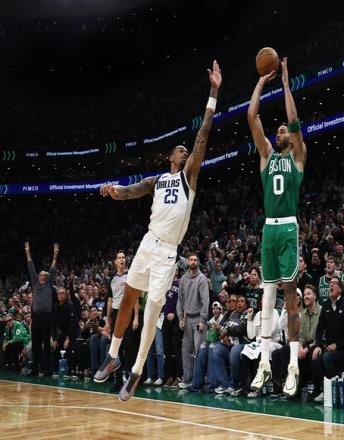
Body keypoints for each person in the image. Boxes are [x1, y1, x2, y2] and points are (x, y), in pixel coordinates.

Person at [93, 60, 222, 402]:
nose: (185, 151)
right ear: (170, 157)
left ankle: (136, 372)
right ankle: (113, 355)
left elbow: (203, 134)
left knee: (151, 310)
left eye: (186, 150)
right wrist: (113, 190)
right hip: (148, 242)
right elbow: (130, 191)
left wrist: (213, 93)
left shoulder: (188, 178)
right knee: (128, 297)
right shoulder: (158, 180)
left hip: (167, 251)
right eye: (180, 150)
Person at [247, 57, 307, 397]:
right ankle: (265, 363)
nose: (279, 131)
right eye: (278, 130)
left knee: (289, 294)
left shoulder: (297, 156)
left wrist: (285, 84)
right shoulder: (266, 156)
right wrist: (261, 82)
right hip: (268, 229)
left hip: (287, 228)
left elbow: (294, 120)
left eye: (283, 130)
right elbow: (251, 117)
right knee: (266, 296)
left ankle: (293, 366)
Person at [99, 250, 139, 391]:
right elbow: (110, 300)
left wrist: (136, 317)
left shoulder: (130, 276)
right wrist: (107, 320)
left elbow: (135, 298)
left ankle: (130, 381)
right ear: (115, 262)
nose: (122, 259)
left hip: (127, 312)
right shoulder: (112, 279)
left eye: (123, 258)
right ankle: (118, 382)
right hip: (116, 314)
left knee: (129, 347)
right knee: (116, 349)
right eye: (119, 258)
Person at [311, 277, 344, 401]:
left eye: (334, 283)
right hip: (330, 347)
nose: (331, 285)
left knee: (327, 357)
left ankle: (336, 386)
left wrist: (337, 344)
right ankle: (323, 390)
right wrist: (318, 345)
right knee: (316, 358)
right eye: (330, 283)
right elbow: (319, 328)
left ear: (340, 289)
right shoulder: (326, 305)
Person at [25, 242, 59, 376]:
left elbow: (53, 269)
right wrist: (28, 252)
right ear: (38, 277)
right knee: (35, 344)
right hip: (36, 317)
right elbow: (31, 267)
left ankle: (47, 369)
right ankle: (34, 369)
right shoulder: (35, 283)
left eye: (45, 276)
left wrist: (55, 256)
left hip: (46, 317)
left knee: (46, 343)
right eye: (41, 275)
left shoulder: (49, 284)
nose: (43, 277)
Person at [177, 253, 210, 389]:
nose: (193, 262)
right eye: (191, 259)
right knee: (186, 350)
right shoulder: (183, 278)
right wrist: (180, 317)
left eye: (195, 260)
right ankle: (187, 379)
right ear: (188, 262)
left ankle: (199, 382)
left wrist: (203, 319)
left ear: (198, 262)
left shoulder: (202, 278)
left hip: (198, 319)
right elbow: (180, 300)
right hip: (187, 318)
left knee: (199, 351)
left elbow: (205, 300)